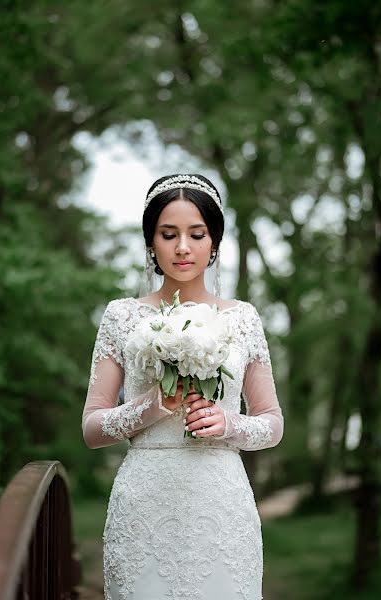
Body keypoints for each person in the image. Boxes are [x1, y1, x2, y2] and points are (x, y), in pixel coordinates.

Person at [82, 174, 284, 600]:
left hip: (221, 504)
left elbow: (272, 422)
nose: (182, 248)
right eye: (168, 234)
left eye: (197, 234)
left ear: (214, 241)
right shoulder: (122, 317)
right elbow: (92, 428)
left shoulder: (242, 318)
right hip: (144, 503)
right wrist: (152, 406)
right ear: (151, 242)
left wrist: (228, 423)